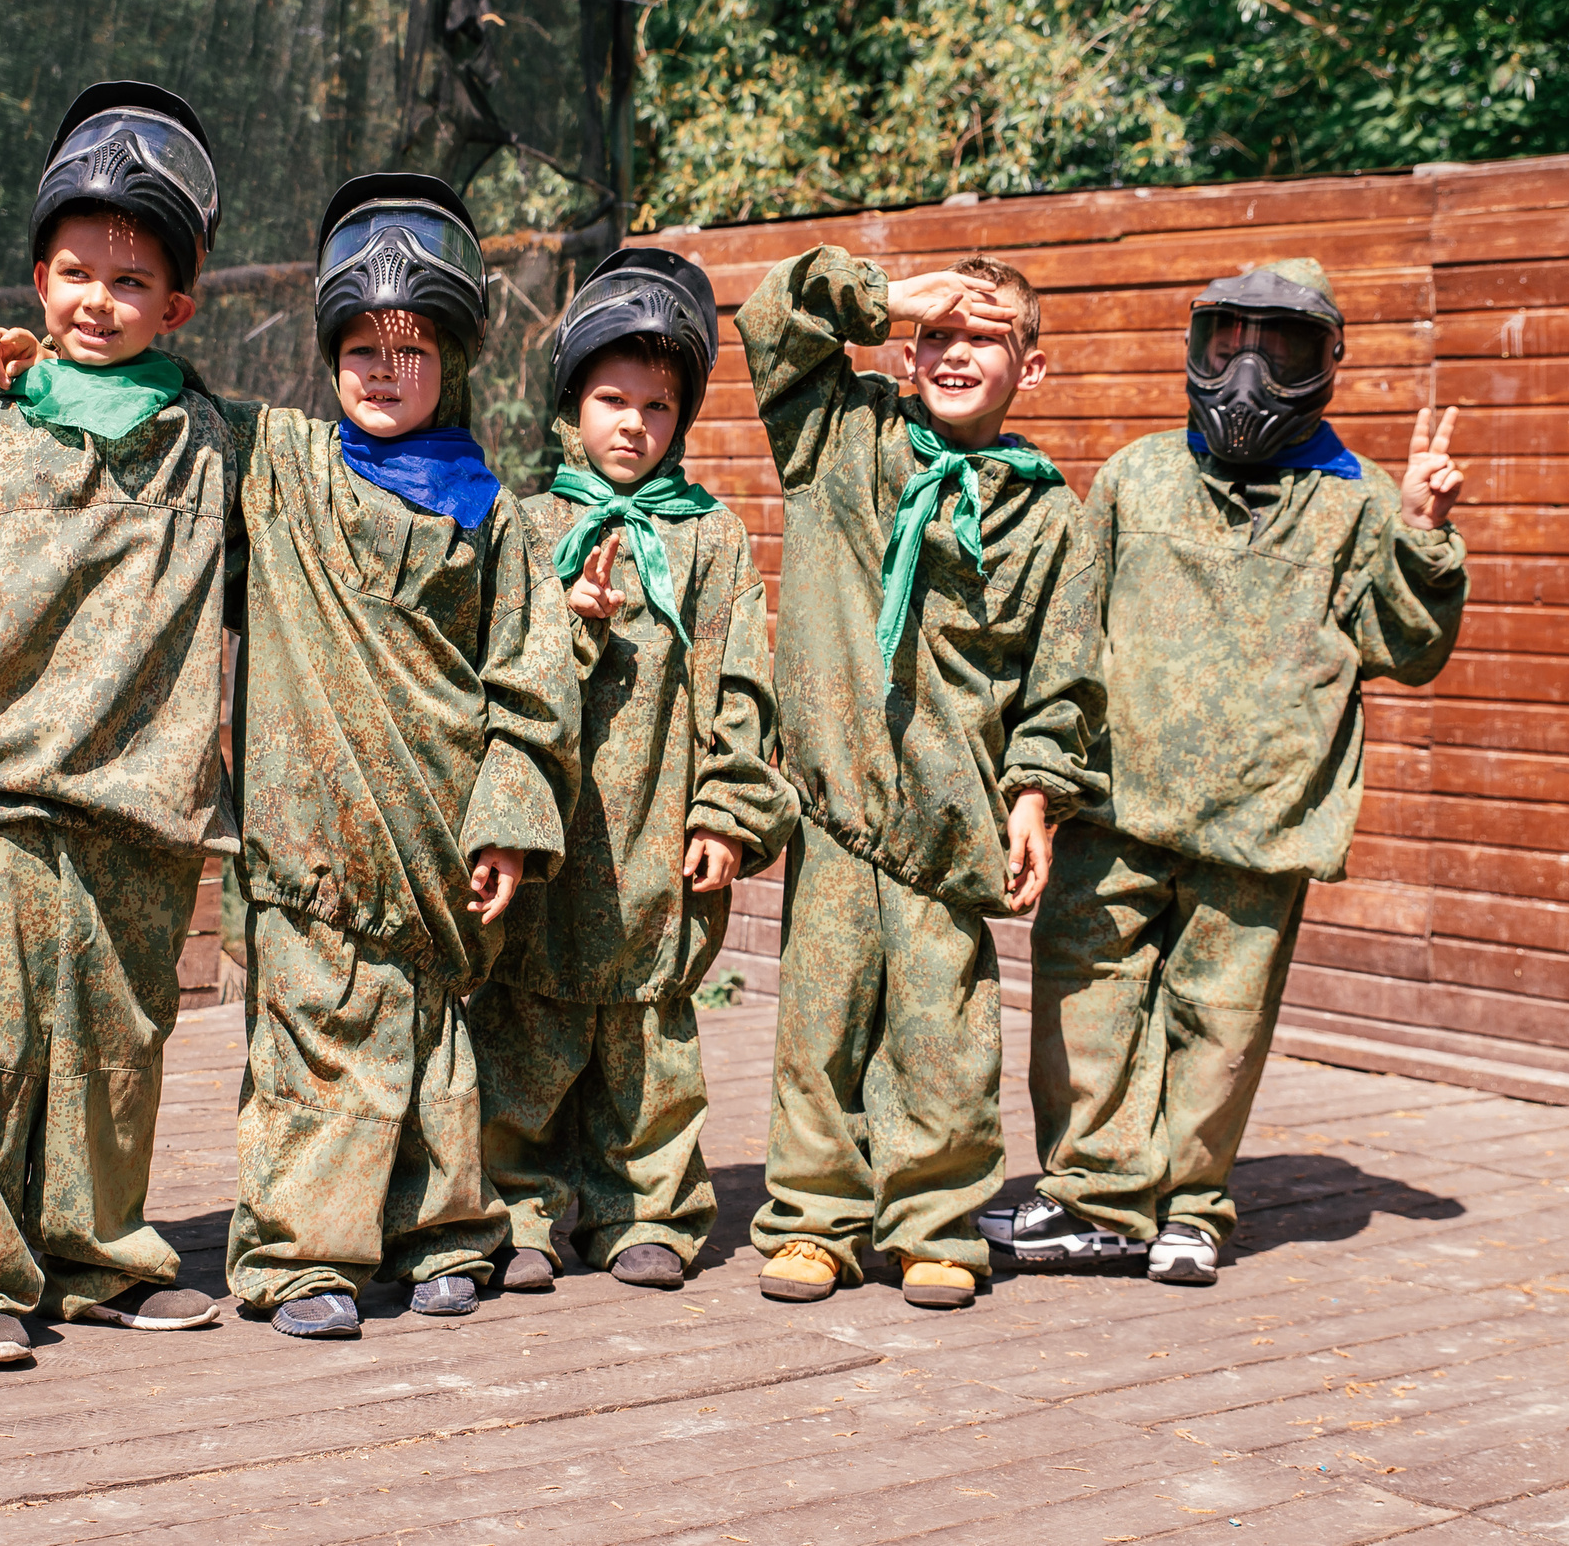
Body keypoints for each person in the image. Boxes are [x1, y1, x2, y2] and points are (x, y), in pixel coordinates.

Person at [983, 259, 1467, 1286]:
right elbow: (1068, 644)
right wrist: (1037, 777)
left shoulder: (1360, 502)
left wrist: (1423, 535)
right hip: (1115, 804)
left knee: (1221, 1022)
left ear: (1322, 365)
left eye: (1279, 350)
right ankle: (1093, 1198)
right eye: (1225, 344)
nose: (1247, 375)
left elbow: (1407, 649)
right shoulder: (1136, 476)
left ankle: (1189, 1209)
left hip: (1260, 819)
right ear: (1194, 350)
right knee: (1084, 999)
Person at [0, 82, 238, 1366]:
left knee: (115, 1045)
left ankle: (95, 1260)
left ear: (177, 310)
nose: (98, 300)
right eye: (74, 273)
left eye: (132, 283)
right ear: (35, 284)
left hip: (144, 801)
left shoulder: (210, 447)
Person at [220, 175, 583, 1338]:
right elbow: (154, 419)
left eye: (414, 349)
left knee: (435, 1052)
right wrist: (39, 379)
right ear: (328, 352)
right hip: (307, 846)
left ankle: (443, 1237)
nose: (385, 370)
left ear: (457, 361)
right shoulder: (274, 467)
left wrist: (509, 822)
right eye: (363, 347)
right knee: (316, 1050)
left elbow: (532, 683)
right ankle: (302, 1258)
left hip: (438, 840)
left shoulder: (495, 516)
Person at [737, 247, 1106, 1311]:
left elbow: (1062, 677)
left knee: (943, 1033)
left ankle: (935, 1219)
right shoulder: (840, 436)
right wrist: (881, 295)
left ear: (1030, 371)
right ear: (903, 352)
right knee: (820, 1021)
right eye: (936, 334)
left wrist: (1034, 792)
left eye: (983, 337)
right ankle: (813, 1218)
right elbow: (772, 320)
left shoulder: (1050, 518)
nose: (953, 353)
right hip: (837, 805)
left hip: (951, 821)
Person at [476, 249, 791, 1293]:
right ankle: (519, 1210)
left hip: (656, 839)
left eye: (658, 407)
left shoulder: (710, 541)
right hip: (550, 840)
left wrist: (727, 810)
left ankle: (643, 1208)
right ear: (572, 402)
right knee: (524, 1034)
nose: (633, 426)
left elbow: (740, 687)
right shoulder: (521, 528)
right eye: (612, 399)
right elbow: (491, 680)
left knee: (647, 1043)